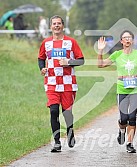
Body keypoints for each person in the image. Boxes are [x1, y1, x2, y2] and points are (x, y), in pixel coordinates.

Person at [97, 30, 137, 153]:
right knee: (123, 118)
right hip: (122, 89)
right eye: (125, 38)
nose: (127, 39)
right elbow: (100, 64)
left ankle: (130, 143)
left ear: (133, 40)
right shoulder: (117, 54)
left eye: (129, 37)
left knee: (132, 117)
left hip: (135, 89)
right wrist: (100, 51)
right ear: (121, 41)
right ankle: (121, 131)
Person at [38, 15, 85, 152]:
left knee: (67, 113)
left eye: (59, 23)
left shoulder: (71, 42)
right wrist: (42, 68)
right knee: (53, 111)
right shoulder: (46, 43)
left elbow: (81, 60)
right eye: (54, 24)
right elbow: (41, 58)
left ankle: (70, 132)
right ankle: (57, 142)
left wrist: (69, 62)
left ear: (63, 26)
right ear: (51, 26)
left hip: (68, 83)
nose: (56, 26)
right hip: (51, 82)